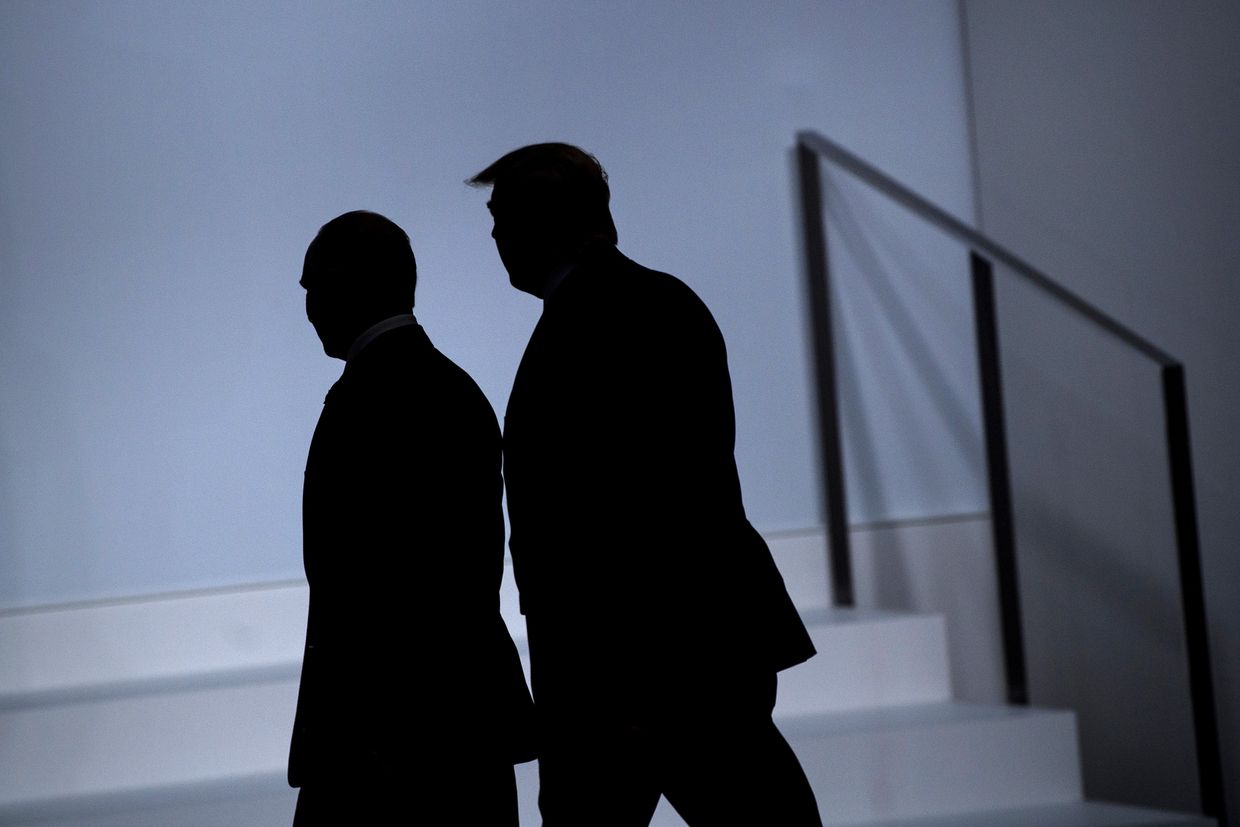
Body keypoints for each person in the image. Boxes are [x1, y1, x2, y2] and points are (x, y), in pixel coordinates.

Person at [470, 145, 822, 825]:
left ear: (548, 220)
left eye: (503, 215)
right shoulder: (651, 305)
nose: (495, 235)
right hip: (671, 662)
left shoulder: (595, 322)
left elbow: (643, 513)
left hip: (639, 673)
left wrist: (625, 688)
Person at [287, 211, 534, 826]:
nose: (310, 307)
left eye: (315, 286)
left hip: (390, 730)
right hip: (451, 718)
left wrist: (371, 733)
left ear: (352, 282)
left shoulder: (373, 397)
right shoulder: (446, 387)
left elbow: (383, 580)